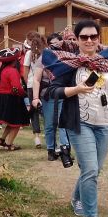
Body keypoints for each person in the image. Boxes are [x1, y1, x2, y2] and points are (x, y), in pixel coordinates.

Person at [42, 20, 108, 217]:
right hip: (79, 123)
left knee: (94, 169)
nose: (89, 40)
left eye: (93, 36)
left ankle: (76, 198)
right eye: (84, 37)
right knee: (90, 169)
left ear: (99, 38)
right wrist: (76, 89)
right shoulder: (69, 64)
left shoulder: (107, 62)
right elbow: (51, 92)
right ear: (77, 39)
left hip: (105, 123)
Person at [0, 47, 31, 150]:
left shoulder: (3, 70)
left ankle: (2, 139)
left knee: (11, 121)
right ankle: (9, 144)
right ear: (14, 61)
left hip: (2, 97)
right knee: (17, 122)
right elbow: (16, 87)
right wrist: (24, 94)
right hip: (12, 98)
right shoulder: (13, 71)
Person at [36, 32, 72, 161]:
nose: (55, 46)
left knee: (63, 122)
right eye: (52, 44)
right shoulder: (43, 58)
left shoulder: (67, 57)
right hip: (48, 94)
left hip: (64, 93)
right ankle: (51, 150)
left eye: (57, 43)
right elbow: (36, 79)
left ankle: (65, 150)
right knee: (50, 124)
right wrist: (35, 98)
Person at [23, 32, 45, 149]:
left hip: (32, 84)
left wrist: (27, 83)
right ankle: (48, 133)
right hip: (44, 83)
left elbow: (25, 71)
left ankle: (37, 136)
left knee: (34, 111)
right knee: (45, 109)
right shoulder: (45, 52)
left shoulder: (29, 53)